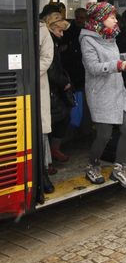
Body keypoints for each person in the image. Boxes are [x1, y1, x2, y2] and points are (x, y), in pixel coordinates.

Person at [79, 2, 126, 188]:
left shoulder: (109, 36)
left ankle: (119, 169)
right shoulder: (87, 40)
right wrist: (119, 66)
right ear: (100, 19)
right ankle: (92, 165)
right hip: (100, 93)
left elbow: (113, 59)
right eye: (112, 17)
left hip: (117, 91)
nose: (116, 20)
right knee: (104, 135)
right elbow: (93, 67)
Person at [45, 12, 72, 163]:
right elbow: (52, 69)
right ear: (52, 27)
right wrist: (64, 83)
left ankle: (52, 152)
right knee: (59, 119)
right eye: (60, 31)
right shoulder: (49, 42)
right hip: (51, 90)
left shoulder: (52, 40)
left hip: (52, 89)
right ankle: (51, 153)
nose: (61, 35)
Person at [39, 14, 55, 193]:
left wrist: (27, 71)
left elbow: (46, 58)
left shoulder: (43, 30)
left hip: (38, 86)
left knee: (41, 133)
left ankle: (43, 173)